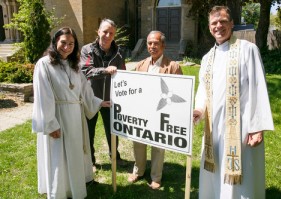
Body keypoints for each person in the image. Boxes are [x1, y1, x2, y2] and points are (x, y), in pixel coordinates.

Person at [193, 6, 274, 199]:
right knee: (215, 171)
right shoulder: (207, 59)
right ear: (209, 27)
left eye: (223, 21)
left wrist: (257, 126)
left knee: (243, 175)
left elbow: (258, 86)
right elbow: (203, 89)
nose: (218, 26)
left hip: (242, 126)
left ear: (231, 24)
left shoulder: (248, 50)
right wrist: (198, 109)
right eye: (214, 23)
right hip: (213, 128)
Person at [32, 27, 110, 199]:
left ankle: (74, 187)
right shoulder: (44, 64)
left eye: (71, 44)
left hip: (75, 116)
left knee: (74, 152)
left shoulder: (75, 65)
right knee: (58, 154)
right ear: (55, 42)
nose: (67, 47)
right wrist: (50, 124)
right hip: (57, 116)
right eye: (63, 43)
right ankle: (59, 190)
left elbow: (84, 89)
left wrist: (98, 102)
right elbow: (43, 95)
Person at [127, 30, 183, 189]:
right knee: (138, 141)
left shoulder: (173, 66)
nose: (152, 46)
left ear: (163, 45)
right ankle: (138, 171)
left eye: (156, 43)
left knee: (158, 145)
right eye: (150, 43)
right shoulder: (140, 64)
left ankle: (156, 177)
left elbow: (180, 93)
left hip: (161, 113)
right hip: (142, 112)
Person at [80, 18, 126, 166]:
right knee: (89, 131)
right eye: (105, 31)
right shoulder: (87, 49)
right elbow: (86, 70)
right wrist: (106, 70)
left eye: (111, 33)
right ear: (98, 31)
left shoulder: (118, 53)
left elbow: (123, 75)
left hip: (110, 99)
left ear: (114, 35)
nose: (107, 35)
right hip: (91, 98)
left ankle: (115, 157)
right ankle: (90, 161)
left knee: (113, 131)